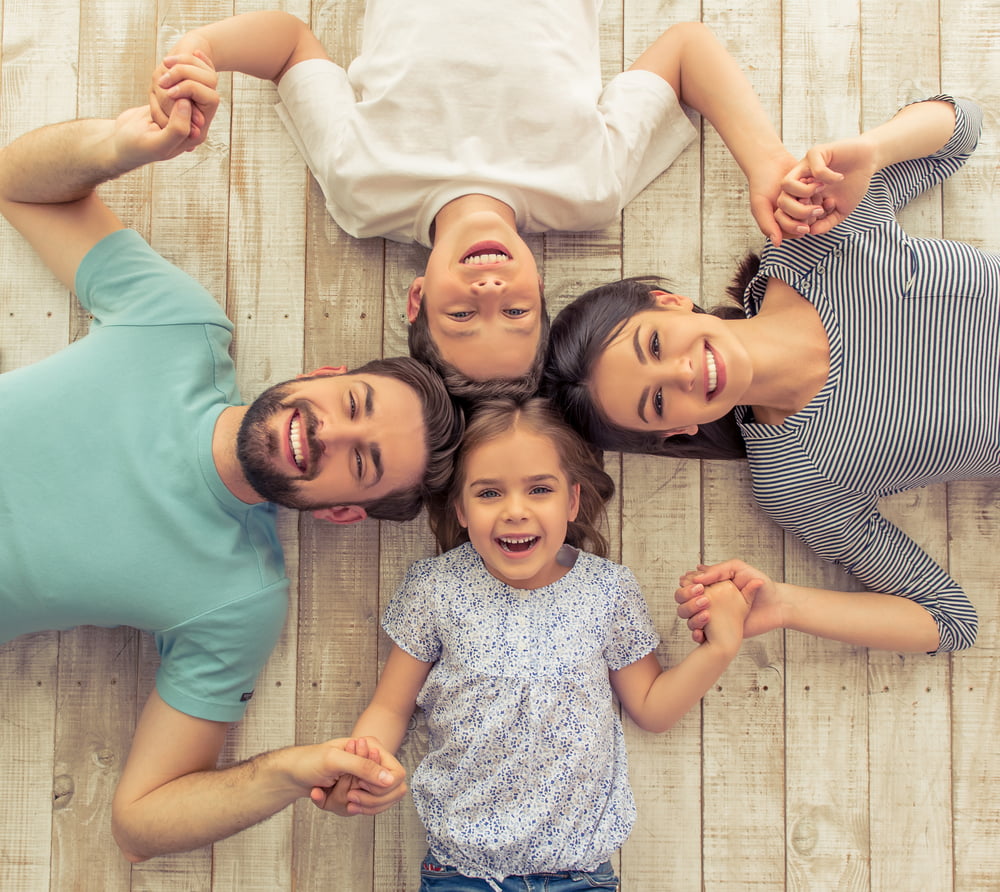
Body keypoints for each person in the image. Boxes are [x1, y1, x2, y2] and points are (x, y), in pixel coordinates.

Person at [0, 97, 462, 860]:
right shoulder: (177, 327)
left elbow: (141, 821)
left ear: (343, 512)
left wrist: (291, 770)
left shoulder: (238, 600)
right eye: (352, 405)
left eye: (362, 460)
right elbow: (19, 182)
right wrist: (121, 144)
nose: (330, 431)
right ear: (323, 373)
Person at [542, 95, 998, 656]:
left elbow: (963, 128)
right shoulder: (796, 480)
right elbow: (949, 621)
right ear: (677, 432)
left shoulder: (812, 240)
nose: (682, 372)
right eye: (657, 402)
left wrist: (873, 149)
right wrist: (785, 604)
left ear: (670, 301)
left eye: (655, 344)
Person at [147, 8, 796, 400]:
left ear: (418, 297)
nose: (489, 286)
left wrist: (203, 49)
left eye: (461, 313)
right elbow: (687, 50)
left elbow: (289, 45)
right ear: (540, 286)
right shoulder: (588, 189)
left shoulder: (362, 188)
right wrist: (765, 160)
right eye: (515, 309)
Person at [313, 398, 752, 890]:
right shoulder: (436, 588)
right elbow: (391, 708)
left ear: (571, 501)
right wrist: (360, 768)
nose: (515, 512)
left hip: (581, 875)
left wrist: (718, 649)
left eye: (539, 489)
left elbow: (651, 707)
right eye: (489, 493)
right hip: (464, 871)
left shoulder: (608, 590)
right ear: (459, 508)